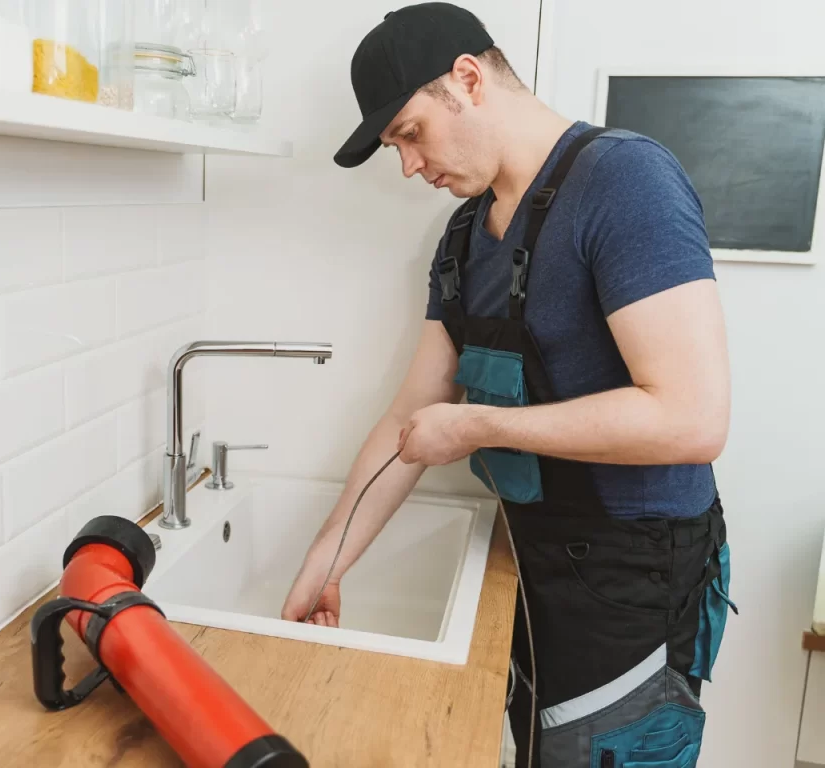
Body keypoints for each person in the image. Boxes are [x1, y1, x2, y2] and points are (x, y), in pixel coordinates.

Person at [280, 3, 737, 766]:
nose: (410, 167)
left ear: (468, 79)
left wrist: (479, 428)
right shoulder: (463, 236)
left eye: (412, 134)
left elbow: (692, 418)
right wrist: (323, 569)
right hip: (532, 564)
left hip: (634, 585)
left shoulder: (626, 181)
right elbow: (412, 418)